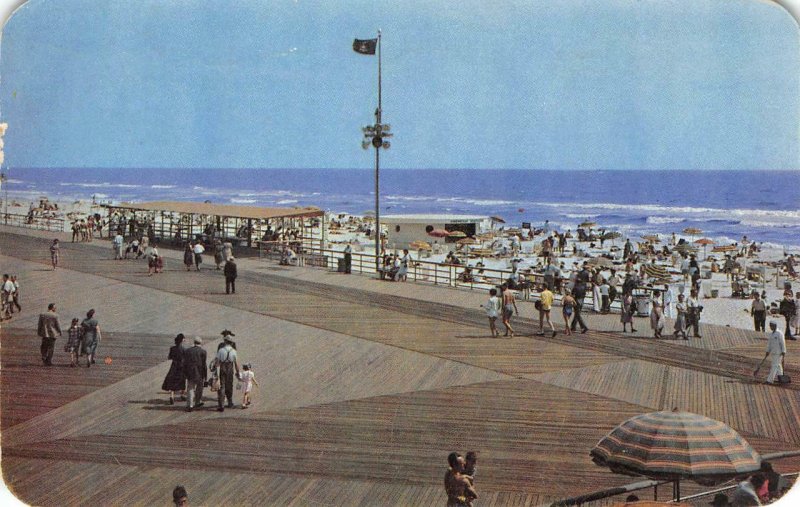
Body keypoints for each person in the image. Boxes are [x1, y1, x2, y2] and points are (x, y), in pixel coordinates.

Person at [216, 330, 241, 412]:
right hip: (230, 367)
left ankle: (221, 404)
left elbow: (217, 362)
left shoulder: (221, 350)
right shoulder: (234, 351)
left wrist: (215, 373)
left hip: (222, 367)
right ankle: (230, 402)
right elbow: (236, 363)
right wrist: (238, 372)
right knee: (229, 385)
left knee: (222, 386)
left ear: (225, 341)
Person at [756, 321, 786, 385]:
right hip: (773, 352)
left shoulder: (779, 333)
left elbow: (782, 343)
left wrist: (784, 351)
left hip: (779, 352)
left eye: (771, 326)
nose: (770, 327)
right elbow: (769, 344)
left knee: (774, 366)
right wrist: (767, 351)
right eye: (770, 326)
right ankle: (780, 377)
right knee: (778, 365)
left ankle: (769, 380)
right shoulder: (772, 334)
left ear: (775, 325)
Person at [183, 336, 207, 412]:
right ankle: (197, 401)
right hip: (200, 372)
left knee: (190, 388)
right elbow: (204, 364)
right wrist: (205, 375)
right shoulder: (203, 352)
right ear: (201, 343)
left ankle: (190, 405)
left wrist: (185, 372)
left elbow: (185, 363)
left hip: (190, 372)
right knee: (199, 388)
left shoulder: (188, 351)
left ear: (194, 342)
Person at [161, 334, 187, 405]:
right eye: (184, 339)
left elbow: (170, 357)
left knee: (172, 381)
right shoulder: (184, 349)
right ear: (182, 340)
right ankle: (182, 395)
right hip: (181, 366)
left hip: (174, 366)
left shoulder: (172, 348)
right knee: (182, 380)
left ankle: (172, 396)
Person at [570, 264, 590, 334]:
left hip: (576, 300)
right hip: (581, 299)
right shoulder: (583, 287)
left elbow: (572, 295)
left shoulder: (575, 287)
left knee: (577, 314)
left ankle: (583, 327)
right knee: (577, 313)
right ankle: (573, 326)